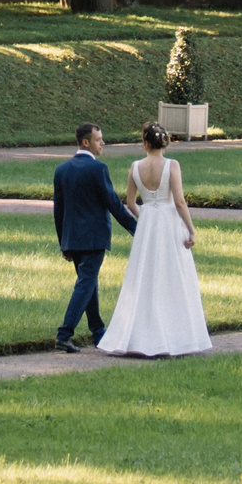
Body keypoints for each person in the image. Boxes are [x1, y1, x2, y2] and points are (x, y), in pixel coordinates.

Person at [97, 123, 210, 358]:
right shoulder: (172, 165)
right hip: (169, 222)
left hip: (148, 222)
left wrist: (145, 216)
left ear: (145, 143)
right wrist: (191, 229)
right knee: (173, 274)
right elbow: (179, 201)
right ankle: (177, 335)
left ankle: (138, 334)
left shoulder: (135, 166)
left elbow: (130, 203)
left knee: (144, 275)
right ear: (165, 142)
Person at [50, 122, 135, 353]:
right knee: (86, 283)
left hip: (72, 239)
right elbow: (113, 204)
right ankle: (64, 334)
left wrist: (63, 243)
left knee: (88, 283)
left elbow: (59, 210)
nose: (103, 143)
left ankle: (98, 332)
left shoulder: (62, 170)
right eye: (99, 139)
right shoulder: (98, 169)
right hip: (94, 237)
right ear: (86, 142)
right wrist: (136, 229)